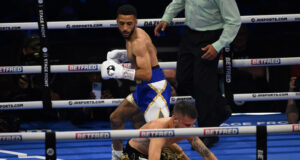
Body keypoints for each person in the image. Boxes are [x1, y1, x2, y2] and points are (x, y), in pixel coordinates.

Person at [154, 0, 241, 147]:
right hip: (189, 34)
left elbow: (234, 21)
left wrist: (218, 45)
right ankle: (219, 107)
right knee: (183, 78)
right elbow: (179, 1)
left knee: (203, 85)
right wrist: (166, 17)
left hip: (210, 36)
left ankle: (209, 133)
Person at [100, 4, 172, 159]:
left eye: (129, 24)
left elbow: (146, 73)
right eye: (121, 24)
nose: (125, 28)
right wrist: (125, 55)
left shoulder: (138, 41)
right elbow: (148, 54)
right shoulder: (133, 36)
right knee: (116, 118)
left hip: (154, 89)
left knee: (161, 140)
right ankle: (118, 156)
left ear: (136, 22)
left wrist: (119, 71)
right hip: (142, 89)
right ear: (117, 22)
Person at [120, 101, 218, 160]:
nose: (190, 129)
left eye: (192, 124)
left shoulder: (186, 128)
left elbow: (205, 152)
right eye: (187, 125)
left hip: (159, 149)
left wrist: (181, 154)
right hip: (135, 153)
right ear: (175, 119)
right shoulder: (159, 131)